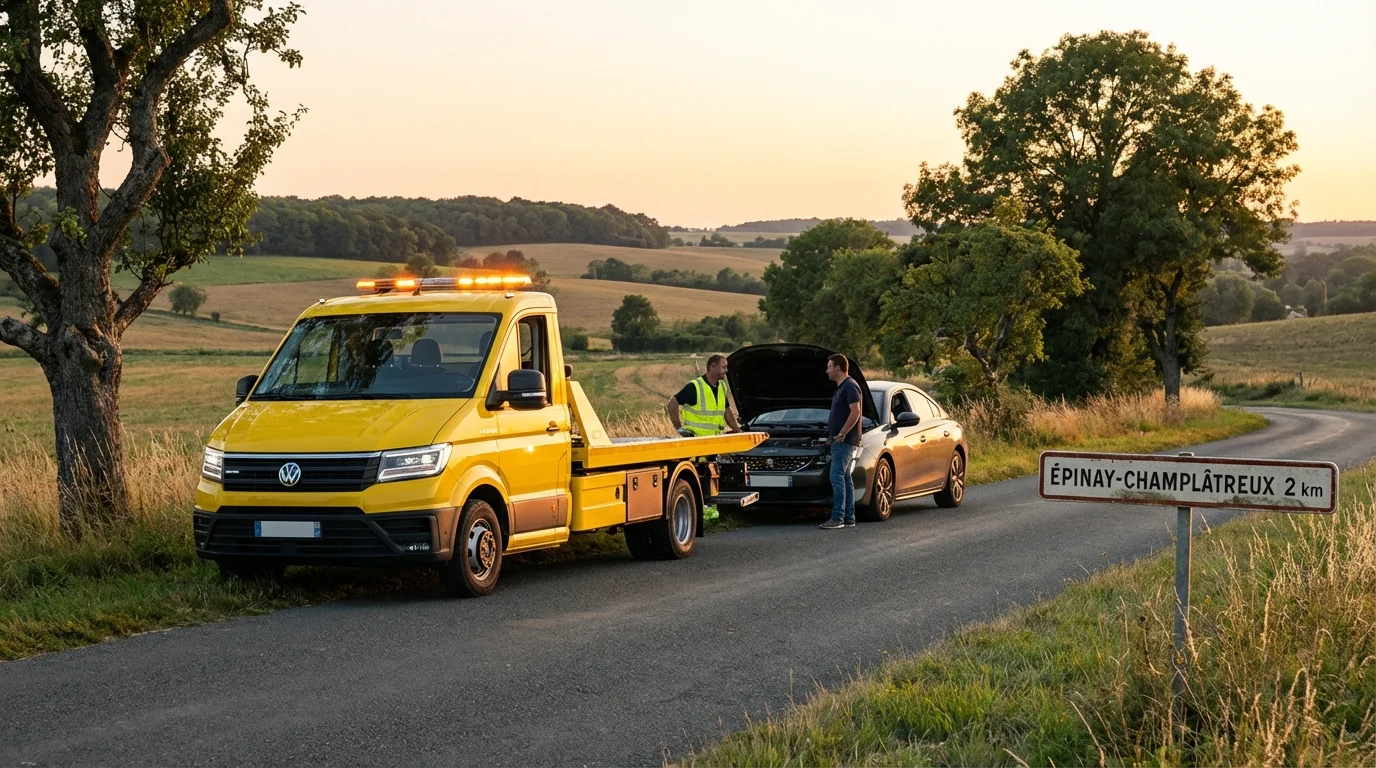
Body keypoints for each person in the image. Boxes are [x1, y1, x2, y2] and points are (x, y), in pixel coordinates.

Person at [821, 353, 861, 530]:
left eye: (829, 366)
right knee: (845, 478)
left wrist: (842, 433)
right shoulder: (841, 388)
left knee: (836, 477)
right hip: (839, 440)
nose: (827, 370)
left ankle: (837, 518)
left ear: (838, 368)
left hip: (844, 440)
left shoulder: (850, 386)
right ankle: (849, 517)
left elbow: (856, 412)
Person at [666, 353, 740, 437]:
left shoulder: (722, 386)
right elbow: (672, 403)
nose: (726, 370)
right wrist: (680, 429)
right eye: (724, 367)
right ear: (712, 366)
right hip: (695, 440)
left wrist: (737, 430)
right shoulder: (694, 386)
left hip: (714, 440)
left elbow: (727, 411)